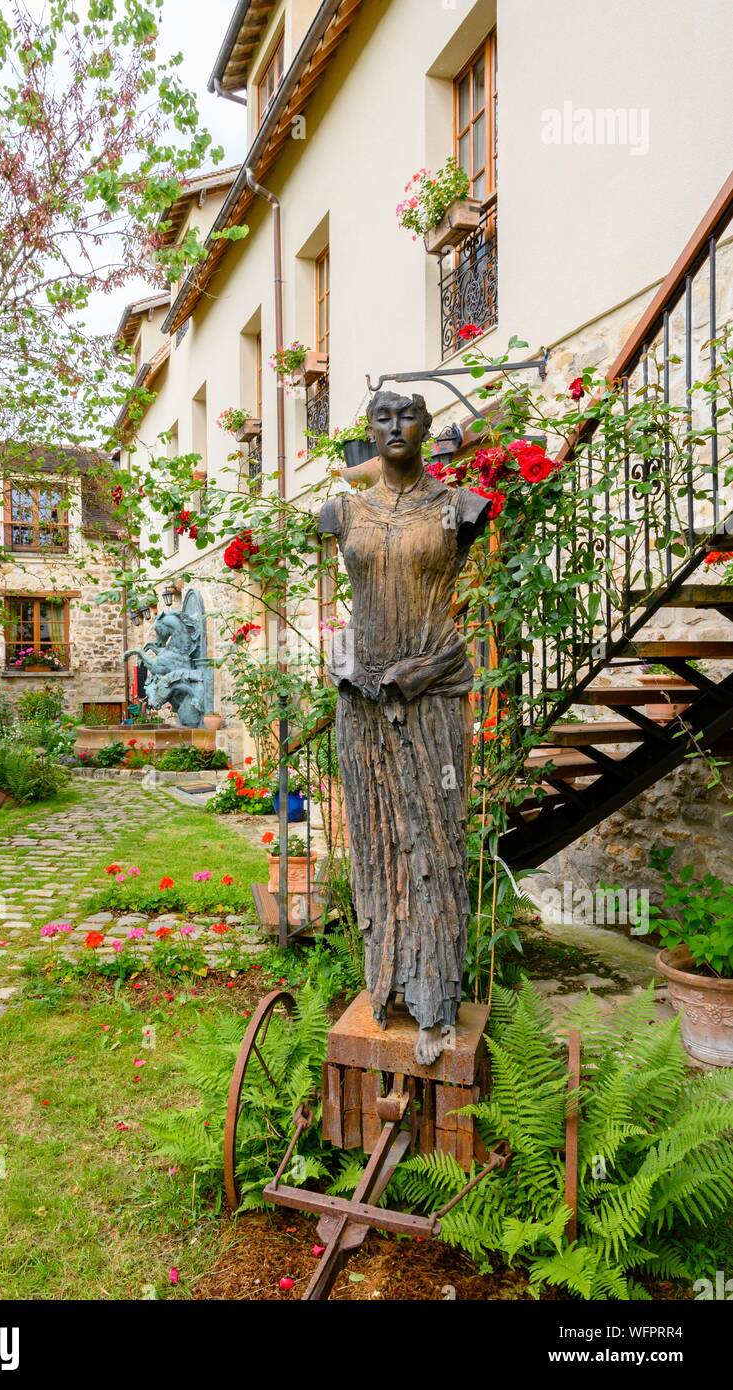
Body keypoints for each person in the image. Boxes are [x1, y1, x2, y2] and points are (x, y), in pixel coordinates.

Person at [317, 389, 491, 1065]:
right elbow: (335, 619)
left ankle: (436, 1001)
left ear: (426, 427)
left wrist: (416, 671)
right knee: (376, 843)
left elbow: (456, 628)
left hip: (434, 698)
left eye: (407, 416)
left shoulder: (458, 508)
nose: (395, 427)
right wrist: (345, 665)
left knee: (435, 844)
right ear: (367, 430)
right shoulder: (340, 513)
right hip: (359, 704)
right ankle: (385, 985)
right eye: (382, 418)